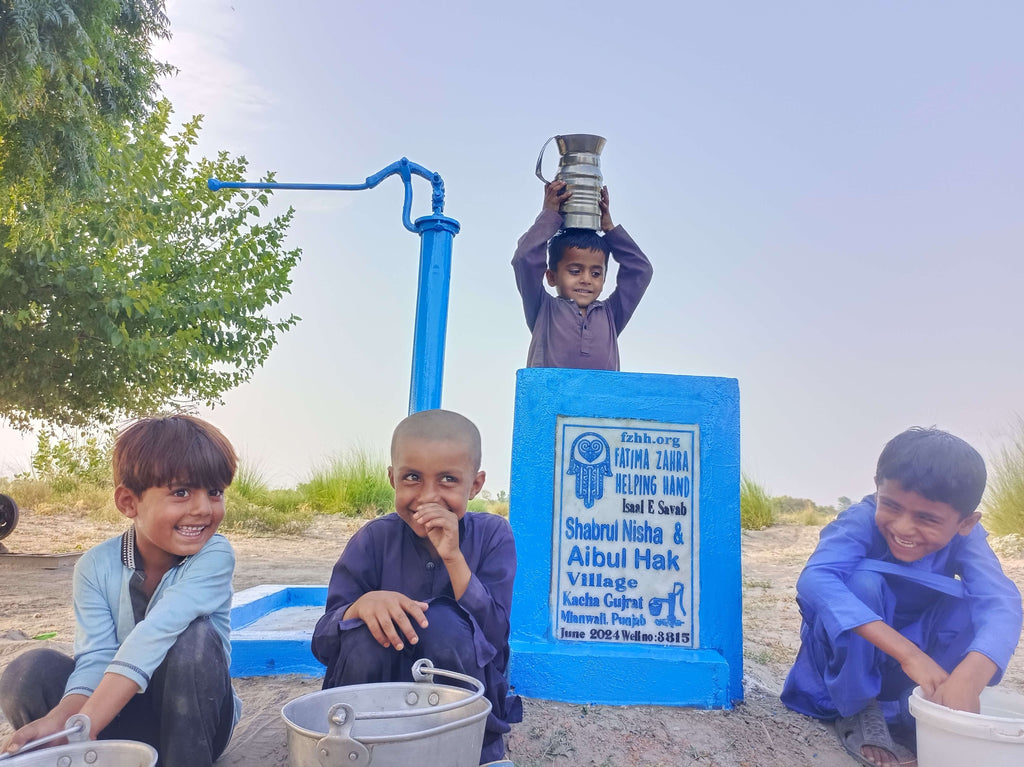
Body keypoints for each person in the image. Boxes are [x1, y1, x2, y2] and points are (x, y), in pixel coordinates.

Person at [0, 415, 241, 767]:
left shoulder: (214, 555)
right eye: (181, 492)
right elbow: (96, 655)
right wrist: (66, 718)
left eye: (215, 492)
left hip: (196, 726)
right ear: (129, 502)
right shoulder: (95, 567)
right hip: (118, 720)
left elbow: (156, 633)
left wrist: (86, 721)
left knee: (195, 640)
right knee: (28, 671)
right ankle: (79, 753)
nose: (203, 508)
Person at [781, 427, 1023, 767]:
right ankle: (860, 708)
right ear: (878, 485)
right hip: (848, 661)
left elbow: (1002, 602)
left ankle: (919, 710)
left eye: (926, 518)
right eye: (891, 505)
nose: (903, 527)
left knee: (974, 603)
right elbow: (816, 579)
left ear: (966, 522)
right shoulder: (860, 520)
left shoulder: (968, 538)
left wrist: (969, 677)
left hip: (919, 670)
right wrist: (909, 654)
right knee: (862, 583)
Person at [312, 409, 519, 766]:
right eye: (412, 477)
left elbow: (495, 637)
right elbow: (323, 641)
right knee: (363, 633)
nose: (428, 497)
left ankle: (472, 755)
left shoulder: (492, 536)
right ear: (393, 478)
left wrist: (454, 558)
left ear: (475, 484)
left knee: (442, 624)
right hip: (374, 714)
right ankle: (354, 753)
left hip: (462, 712)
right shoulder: (372, 541)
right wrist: (360, 607)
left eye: (448, 480)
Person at [512, 180, 653, 370]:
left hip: (598, 399)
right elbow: (524, 258)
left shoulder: (611, 313)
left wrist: (610, 229)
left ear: (603, 279)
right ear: (551, 277)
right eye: (575, 271)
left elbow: (640, 270)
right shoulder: (542, 309)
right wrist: (549, 215)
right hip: (552, 398)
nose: (586, 279)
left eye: (596, 273)